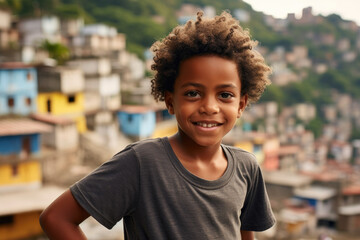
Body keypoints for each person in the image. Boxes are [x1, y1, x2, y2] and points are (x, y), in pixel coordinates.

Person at [40, 11, 275, 240]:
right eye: (193, 93)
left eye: (225, 95)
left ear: (241, 104)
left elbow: (245, 233)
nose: (209, 107)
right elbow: (56, 218)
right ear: (171, 101)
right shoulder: (142, 163)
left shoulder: (247, 168)